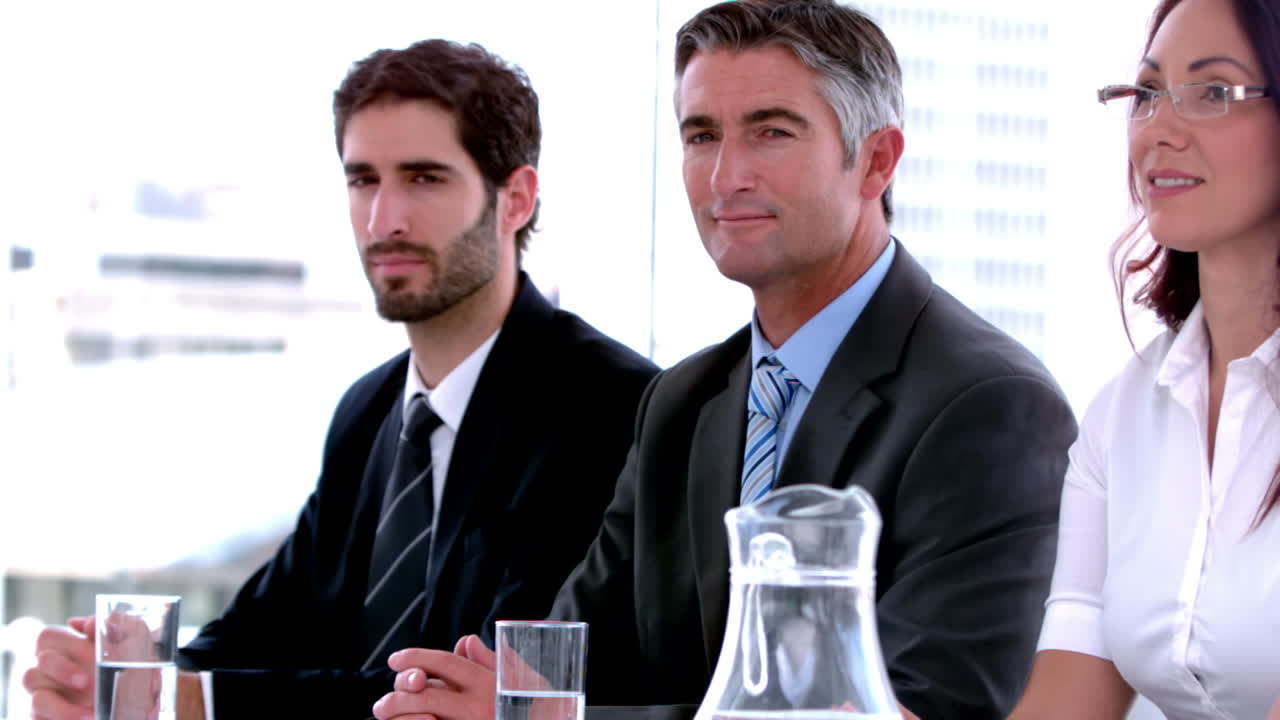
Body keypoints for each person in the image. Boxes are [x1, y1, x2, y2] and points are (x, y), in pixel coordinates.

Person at [373, 3, 1078, 720]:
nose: (725, 176)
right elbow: (566, 668)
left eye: (771, 131)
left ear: (877, 160)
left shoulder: (990, 406)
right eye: (701, 135)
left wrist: (542, 716)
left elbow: (920, 708)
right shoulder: (683, 400)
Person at [22, 39, 658, 720]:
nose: (385, 220)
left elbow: (454, 693)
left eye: (424, 178)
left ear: (516, 200)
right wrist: (130, 677)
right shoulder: (372, 411)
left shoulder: (609, 406)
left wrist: (186, 699)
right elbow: (263, 629)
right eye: (363, 180)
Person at [1007, 0, 1280, 718]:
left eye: (1214, 92)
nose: (1159, 128)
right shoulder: (1123, 414)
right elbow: (1070, 698)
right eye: (1147, 93)